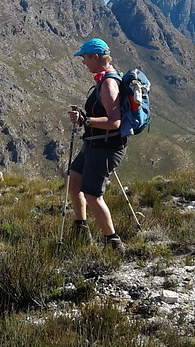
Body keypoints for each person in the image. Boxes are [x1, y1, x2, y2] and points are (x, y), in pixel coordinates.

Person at [67, 38, 126, 251]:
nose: (83, 62)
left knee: (92, 193)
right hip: (94, 143)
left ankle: (113, 242)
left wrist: (86, 121)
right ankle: (81, 228)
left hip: (105, 147)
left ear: (95, 56)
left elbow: (115, 122)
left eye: (84, 57)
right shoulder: (105, 79)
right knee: (74, 179)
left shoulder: (109, 83)